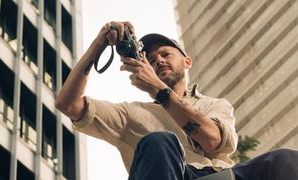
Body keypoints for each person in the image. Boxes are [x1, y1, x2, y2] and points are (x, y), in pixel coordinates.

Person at [55, 21, 298, 180]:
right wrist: (100, 43)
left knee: (284, 159)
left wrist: (159, 90)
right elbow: (68, 104)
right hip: (169, 174)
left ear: (187, 61)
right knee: (160, 141)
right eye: (150, 59)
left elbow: (213, 140)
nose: (158, 60)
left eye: (165, 54)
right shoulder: (131, 113)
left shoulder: (214, 105)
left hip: (220, 176)